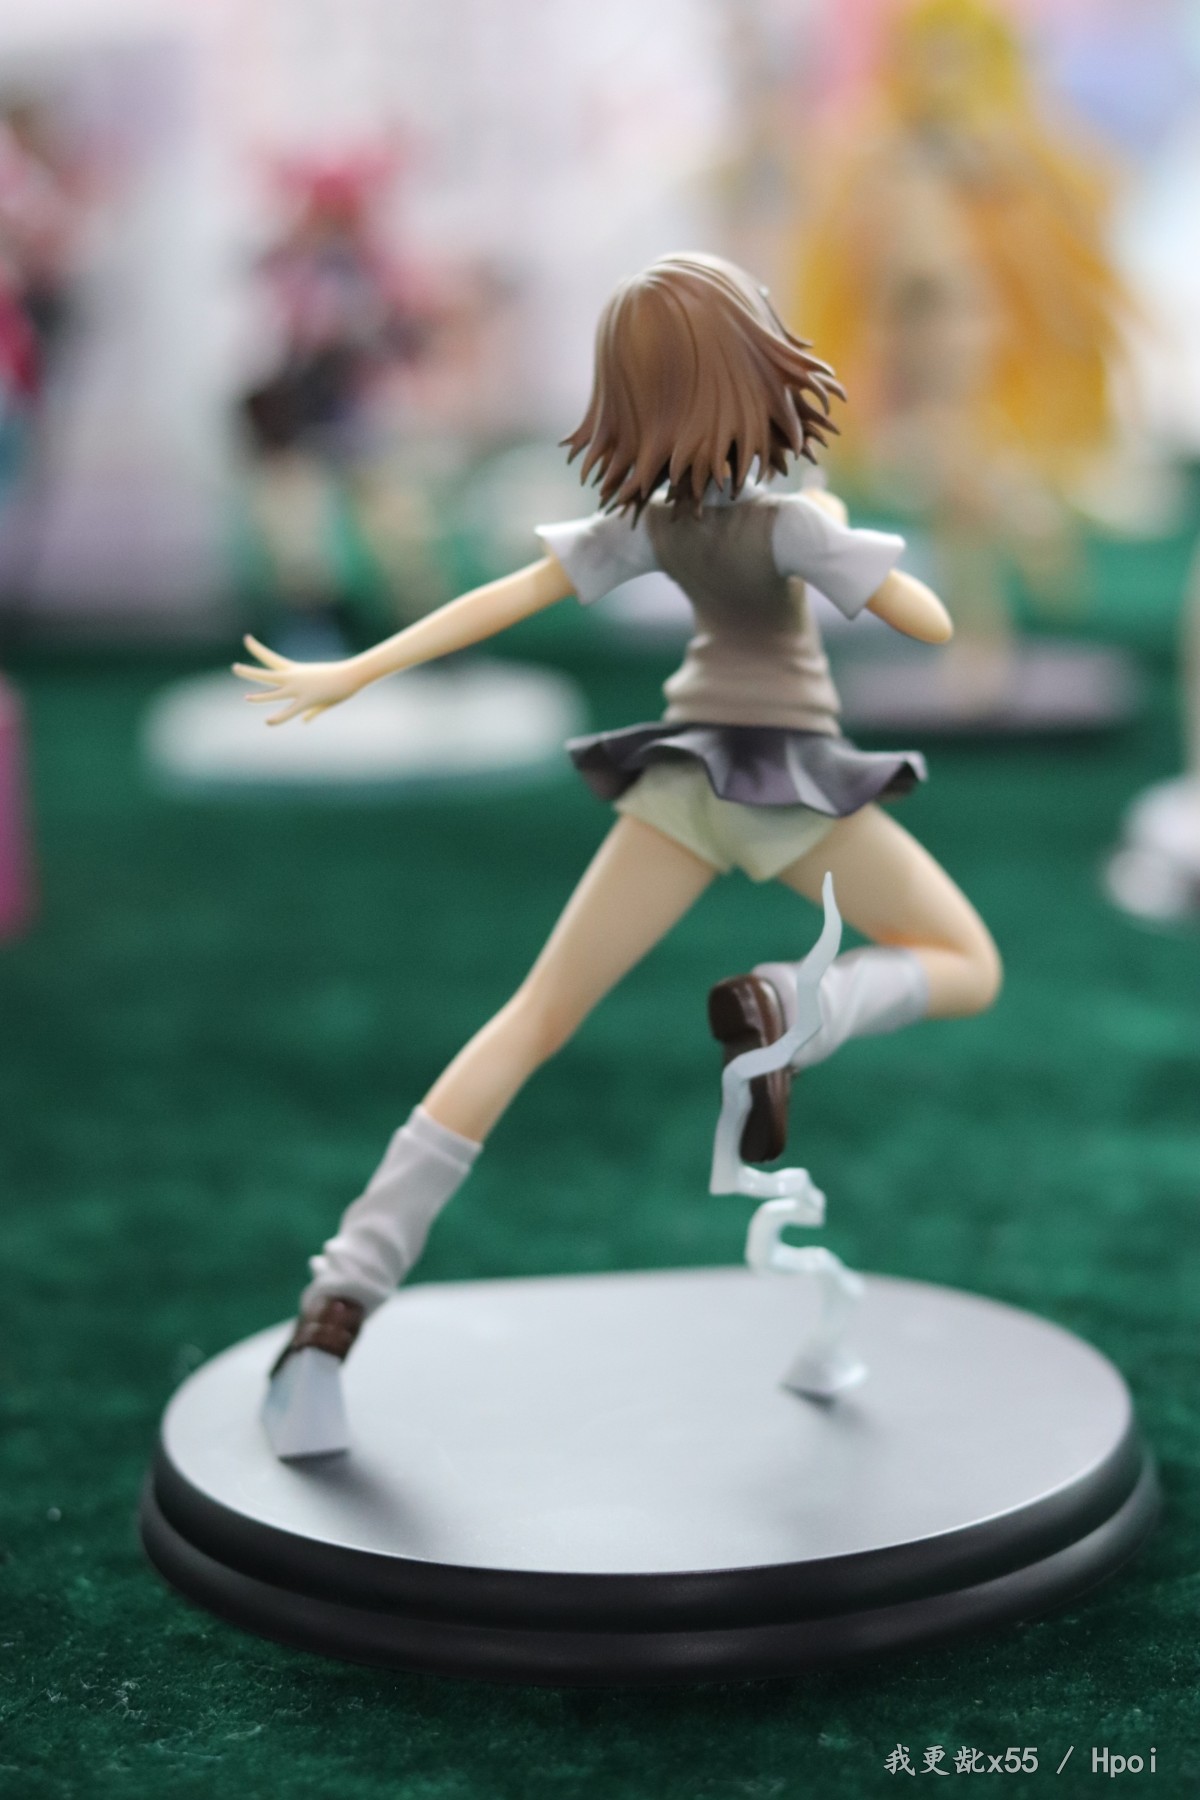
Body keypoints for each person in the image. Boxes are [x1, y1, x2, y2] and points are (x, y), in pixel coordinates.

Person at [235, 253, 1001, 1445]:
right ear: (756, 369)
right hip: (793, 786)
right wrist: (848, 540)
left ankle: (336, 1309)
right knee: (968, 963)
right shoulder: (794, 523)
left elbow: (501, 597)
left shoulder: (649, 525)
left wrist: (358, 668)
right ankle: (804, 1007)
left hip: (681, 783)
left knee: (530, 1020)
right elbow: (933, 623)